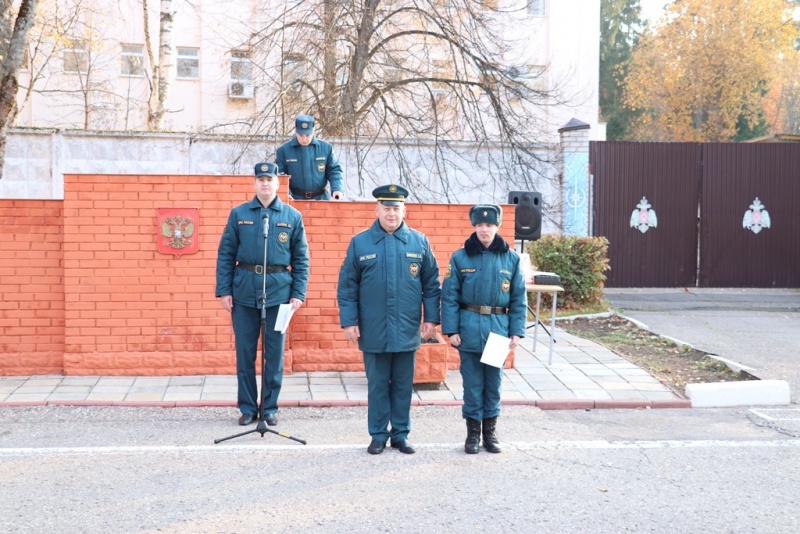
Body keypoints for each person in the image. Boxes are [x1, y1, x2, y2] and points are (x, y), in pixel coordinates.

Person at [337, 184, 441, 455]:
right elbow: (347, 286)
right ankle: (378, 435)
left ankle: (401, 434)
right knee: (378, 384)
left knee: (404, 384)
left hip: (407, 327)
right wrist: (349, 321)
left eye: (396, 208)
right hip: (373, 328)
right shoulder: (360, 242)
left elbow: (431, 284)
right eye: (387, 208)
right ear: (377, 209)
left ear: (404, 210)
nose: (391, 213)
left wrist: (431, 318)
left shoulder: (419, 242)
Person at [215, 162, 310, 426]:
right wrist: (224, 290)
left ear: (278, 184)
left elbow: (301, 259)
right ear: (254, 183)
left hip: (279, 294)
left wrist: (298, 293)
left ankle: (269, 407)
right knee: (245, 353)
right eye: (261, 179)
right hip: (244, 292)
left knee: (274, 354)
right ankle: (247, 407)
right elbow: (226, 254)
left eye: (270, 179)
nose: (265, 184)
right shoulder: (239, 214)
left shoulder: (292, 217)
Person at [441, 204, 527, 454]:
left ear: (497, 227)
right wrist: (451, 329)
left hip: (498, 330)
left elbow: (518, 299)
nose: (484, 229)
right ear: (474, 226)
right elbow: (449, 297)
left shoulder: (510, 258)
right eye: (479, 225)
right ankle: (472, 434)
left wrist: (516, 331)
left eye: (489, 225)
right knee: (472, 384)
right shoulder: (460, 258)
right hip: (468, 328)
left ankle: (490, 433)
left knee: (493, 382)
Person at [276, 114, 345, 200]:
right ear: (296, 132)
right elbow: (280, 176)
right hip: (295, 199)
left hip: (321, 199)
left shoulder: (326, 148)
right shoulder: (284, 151)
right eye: (301, 135)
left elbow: (334, 171)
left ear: (313, 131)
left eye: (308, 135)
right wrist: (286, 193)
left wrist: (337, 189)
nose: (304, 139)